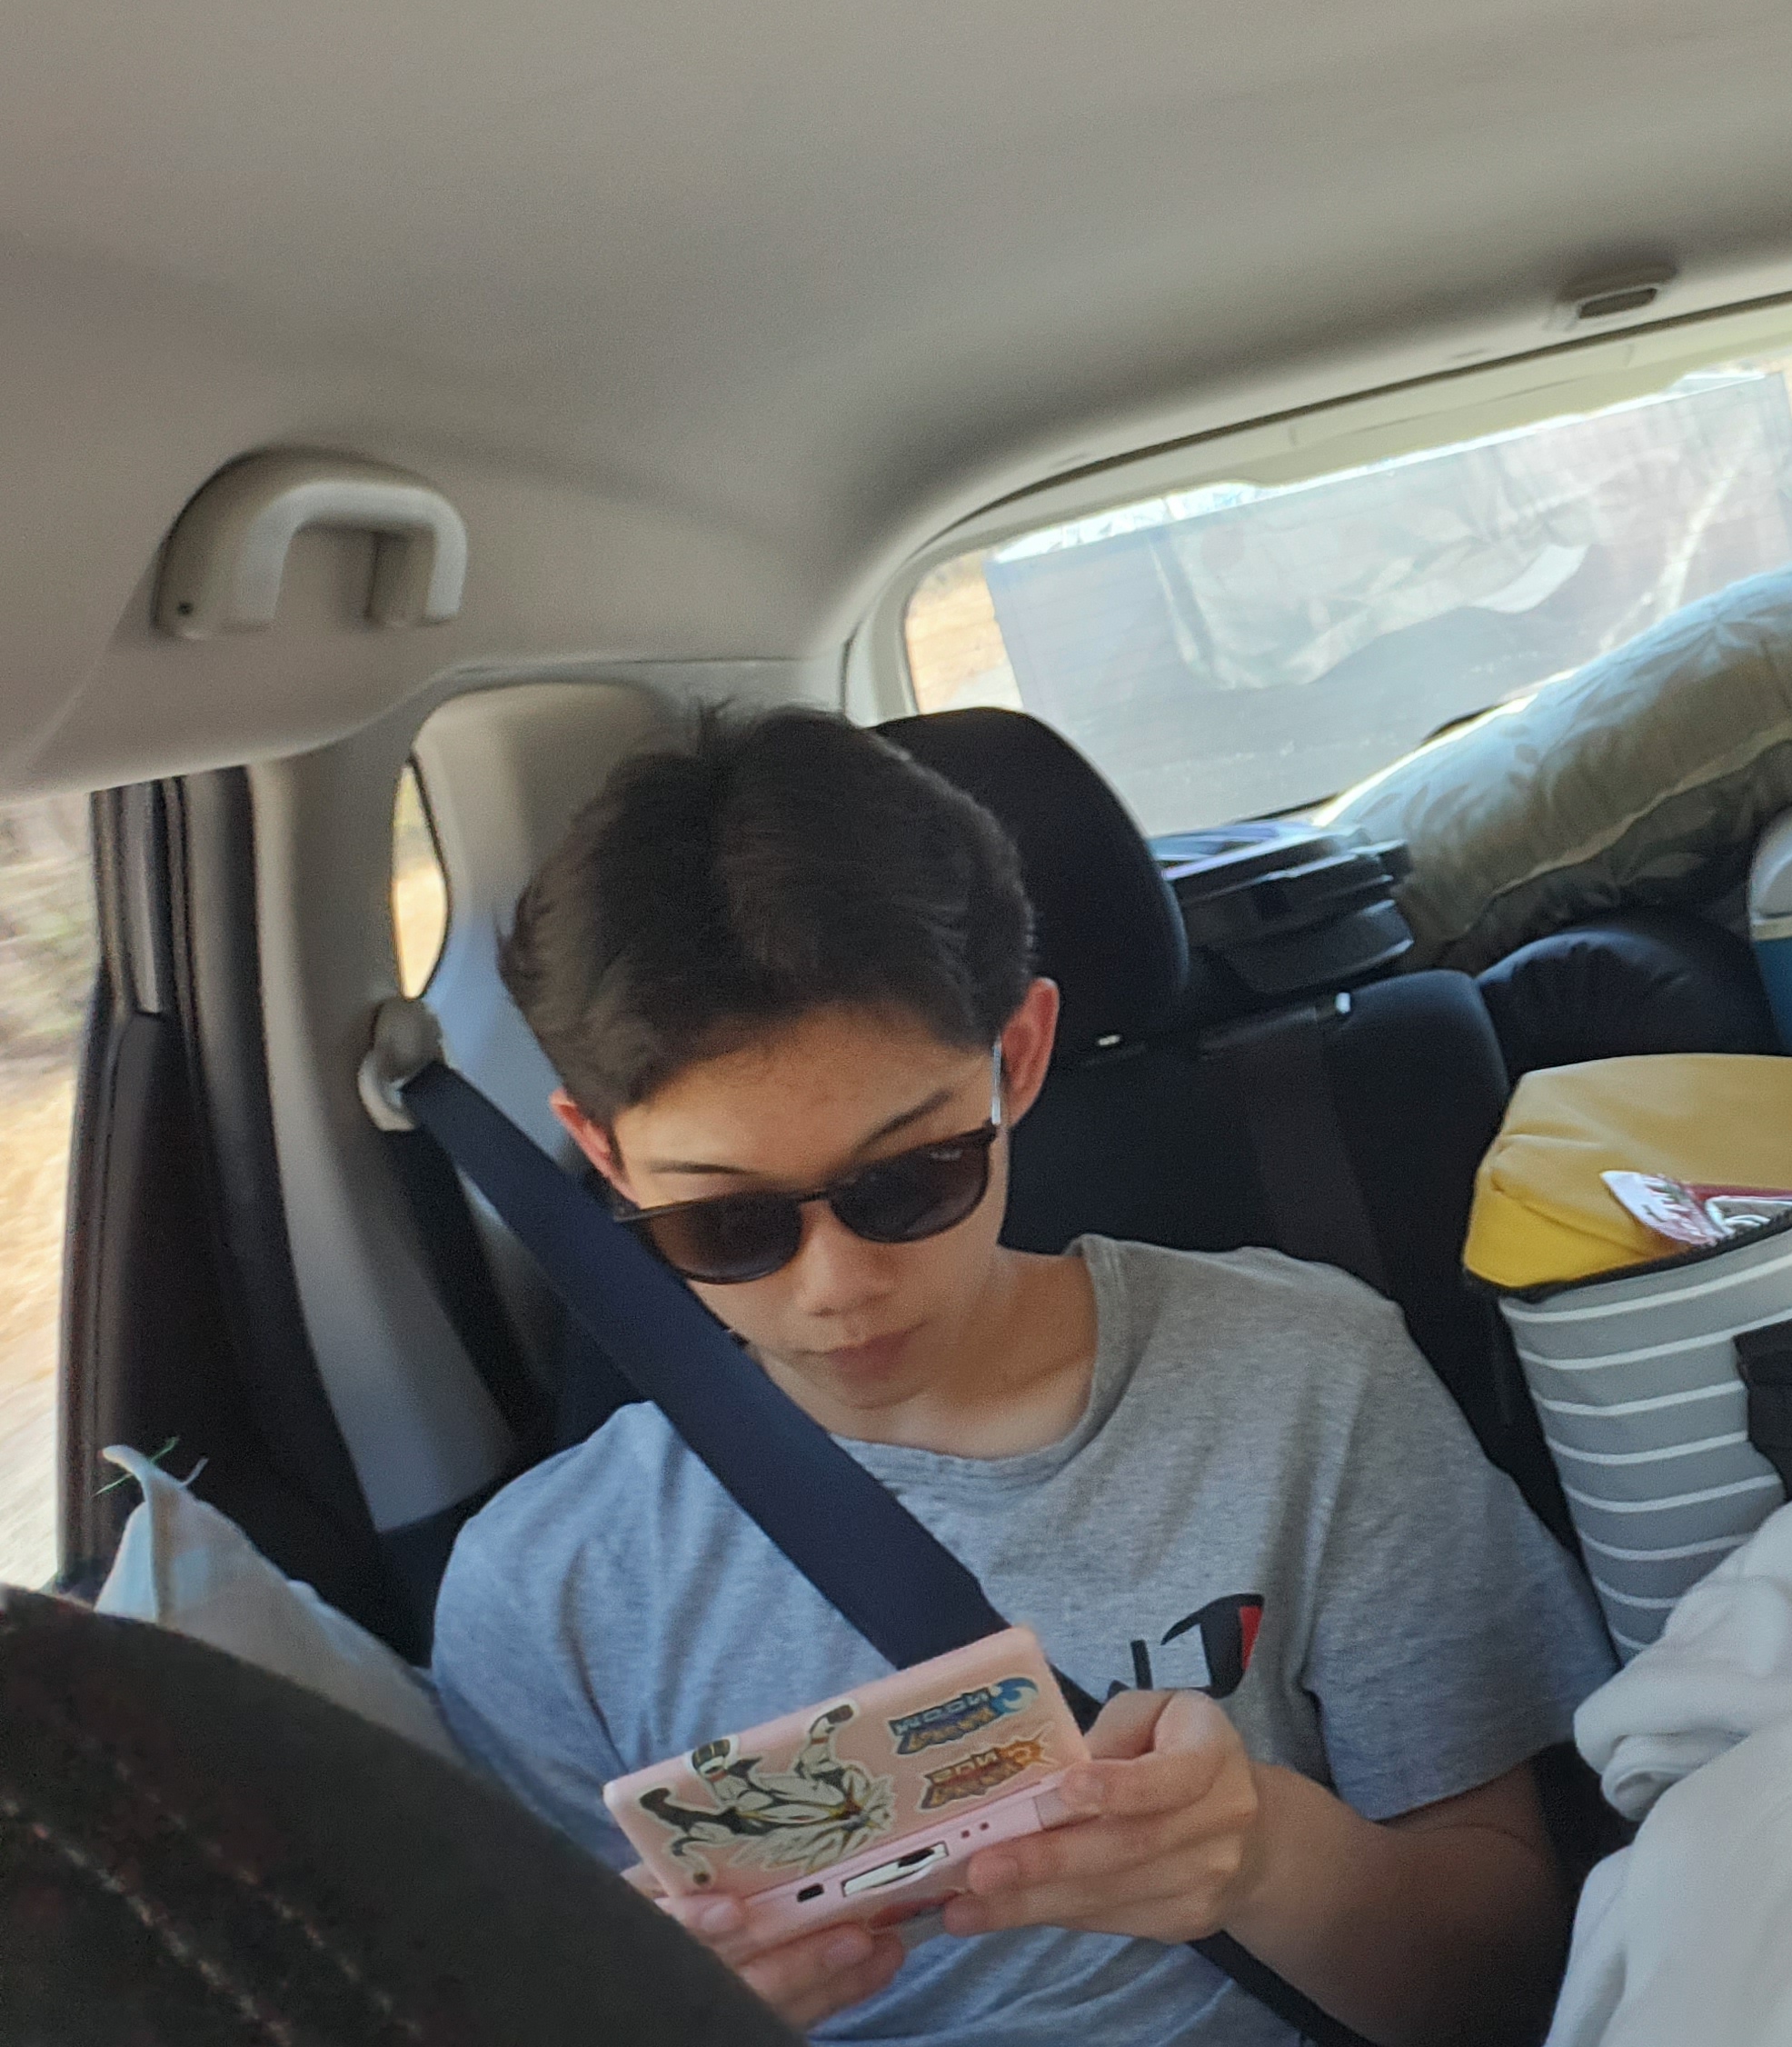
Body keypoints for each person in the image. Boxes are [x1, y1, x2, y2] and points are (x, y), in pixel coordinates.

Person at [432, 709, 1613, 2045]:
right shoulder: (547, 1589)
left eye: (907, 1180)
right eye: (728, 1223)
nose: (835, 1288)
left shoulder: (1305, 1380)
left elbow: (1518, 1985)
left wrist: (1269, 1862)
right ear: (603, 1157)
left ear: (1020, 1058)